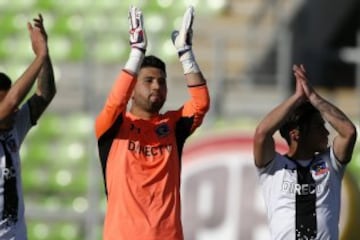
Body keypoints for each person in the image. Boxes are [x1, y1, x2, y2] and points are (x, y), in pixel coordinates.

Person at [94, 5, 210, 240]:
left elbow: (201, 103)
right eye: (148, 80)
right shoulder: (114, 126)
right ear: (133, 88)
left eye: (161, 82)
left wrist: (186, 54)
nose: (157, 86)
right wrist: (136, 53)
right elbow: (115, 102)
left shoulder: (173, 126)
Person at [253, 64, 357, 239]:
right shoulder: (273, 167)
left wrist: (314, 98)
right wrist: (297, 98)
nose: (326, 132)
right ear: (296, 134)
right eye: (318, 126)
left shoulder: (331, 163)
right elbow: (262, 133)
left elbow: (349, 132)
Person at [0, 14, 56, 239]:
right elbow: (13, 102)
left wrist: (46, 53)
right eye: (3, 102)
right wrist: (39, 56)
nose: (15, 109)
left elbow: (45, 94)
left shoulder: (12, 127)